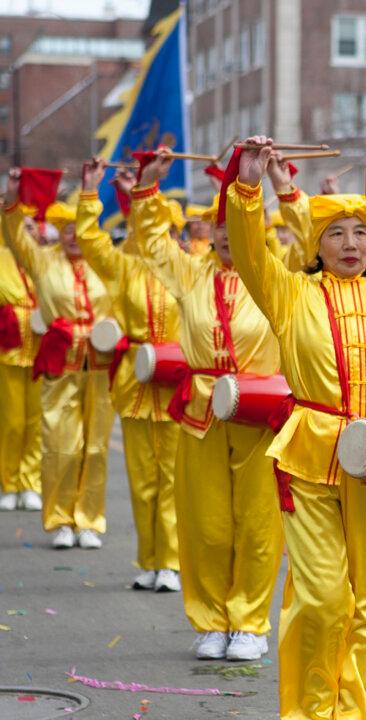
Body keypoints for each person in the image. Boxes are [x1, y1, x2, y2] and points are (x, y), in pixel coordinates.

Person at [226, 138, 366, 720]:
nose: (350, 243)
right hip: (309, 455)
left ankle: (358, 713)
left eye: (361, 232)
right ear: (315, 244)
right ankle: (312, 711)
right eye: (335, 232)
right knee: (322, 597)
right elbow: (249, 252)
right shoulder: (290, 293)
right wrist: (248, 186)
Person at [132, 154, 283, 661]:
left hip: (260, 415)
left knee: (259, 523)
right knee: (206, 523)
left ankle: (250, 622)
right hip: (200, 412)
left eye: (235, 225)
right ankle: (211, 618)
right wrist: (149, 188)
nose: (224, 235)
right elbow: (152, 244)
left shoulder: (276, 276)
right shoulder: (191, 275)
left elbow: (311, 240)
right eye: (218, 228)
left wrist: (279, 185)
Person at [76, 161, 183, 591]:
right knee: (143, 482)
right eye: (145, 224)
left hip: (179, 385)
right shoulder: (124, 268)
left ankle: (173, 561)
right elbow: (90, 240)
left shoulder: (188, 269)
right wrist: (89, 191)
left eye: (163, 227)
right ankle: (150, 560)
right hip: (137, 382)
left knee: (174, 480)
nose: (154, 234)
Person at [3, 172, 114, 549]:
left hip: (100, 366)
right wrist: (13, 197)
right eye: (64, 228)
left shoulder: (105, 262)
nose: (71, 235)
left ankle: (89, 520)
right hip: (61, 363)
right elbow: (15, 234)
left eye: (76, 228)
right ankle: (61, 518)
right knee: (62, 443)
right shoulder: (44, 262)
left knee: (96, 446)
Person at [0, 212, 42, 512]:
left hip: (41, 350)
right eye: (20, 227)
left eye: (31, 227)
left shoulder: (43, 261)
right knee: (12, 422)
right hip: (10, 352)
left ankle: (30, 482)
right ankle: (10, 482)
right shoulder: (2, 258)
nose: (26, 232)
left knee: (36, 422)